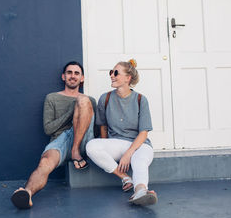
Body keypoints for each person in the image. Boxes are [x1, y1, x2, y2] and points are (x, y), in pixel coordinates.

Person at [11, 61, 96, 209]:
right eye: (69, 73)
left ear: (82, 78)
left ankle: (75, 151)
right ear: (63, 76)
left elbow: (97, 126)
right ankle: (27, 193)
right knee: (45, 162)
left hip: (83, 140)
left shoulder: (90, 101)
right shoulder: (52, 98)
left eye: (77, 73)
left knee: (83, 100)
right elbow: (48, 129)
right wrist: (72, 111)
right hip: (61, 140)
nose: (73, 76)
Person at [86, 59, 157, 206]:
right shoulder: (105, 98)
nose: (112, 75)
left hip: (139, 145)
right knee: (91, 146)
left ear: (128, 78)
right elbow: (103, 127)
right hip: (117, 144)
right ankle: (125, 177)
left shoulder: (140, 99)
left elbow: (144, 133)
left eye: (116, 72)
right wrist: (107, 148)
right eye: (111, 72)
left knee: (139, 160)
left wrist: (128, 154)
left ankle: (141, 191)